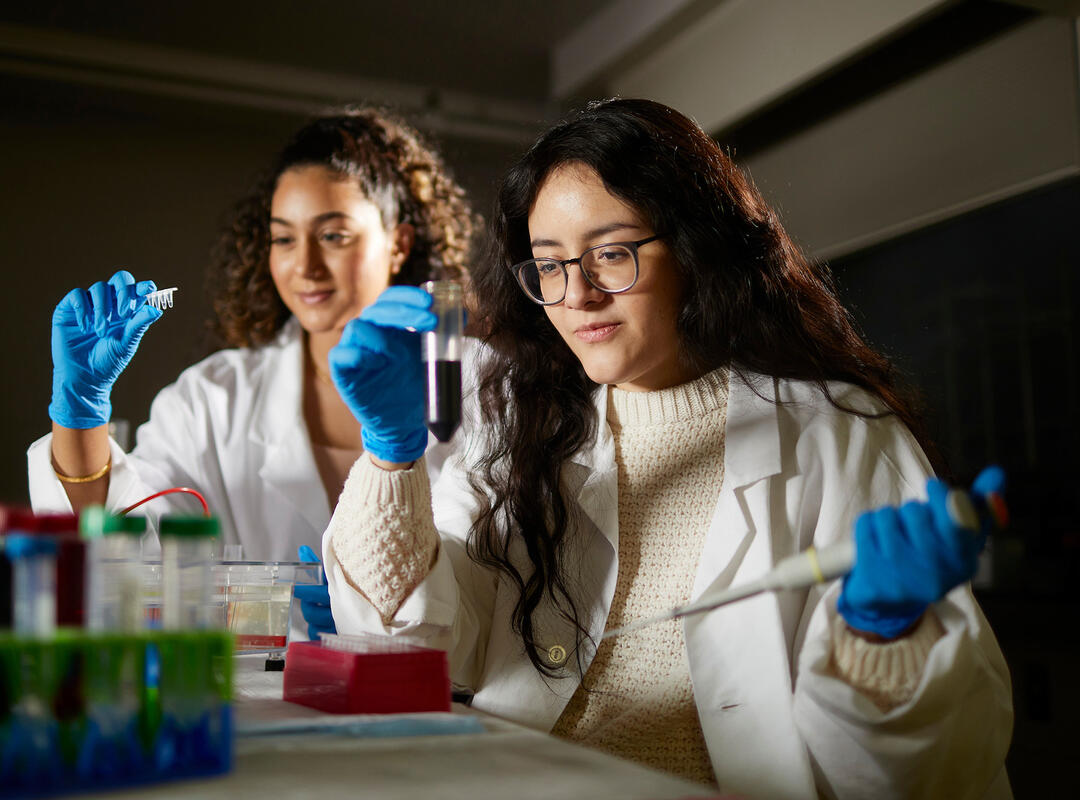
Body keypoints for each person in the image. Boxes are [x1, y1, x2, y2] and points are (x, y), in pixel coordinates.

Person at [319, 99, 1013, 799]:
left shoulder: (838, 434)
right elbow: (415, 649)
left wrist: (883, 640)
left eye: (612, 253)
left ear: (694, 247)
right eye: (550, 265)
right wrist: (390, 458)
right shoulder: (515, 430)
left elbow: (938, 774)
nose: (578, 296)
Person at [27, 108, 476, 637]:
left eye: (333, 236)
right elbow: (130, 561)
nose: (304, 265)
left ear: (397, 243)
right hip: (264, 703)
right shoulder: (213, 398)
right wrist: (79, 412)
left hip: (440, 704)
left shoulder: (480, 383)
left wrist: (381, 601)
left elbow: (506, 594)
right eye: (283, 238)